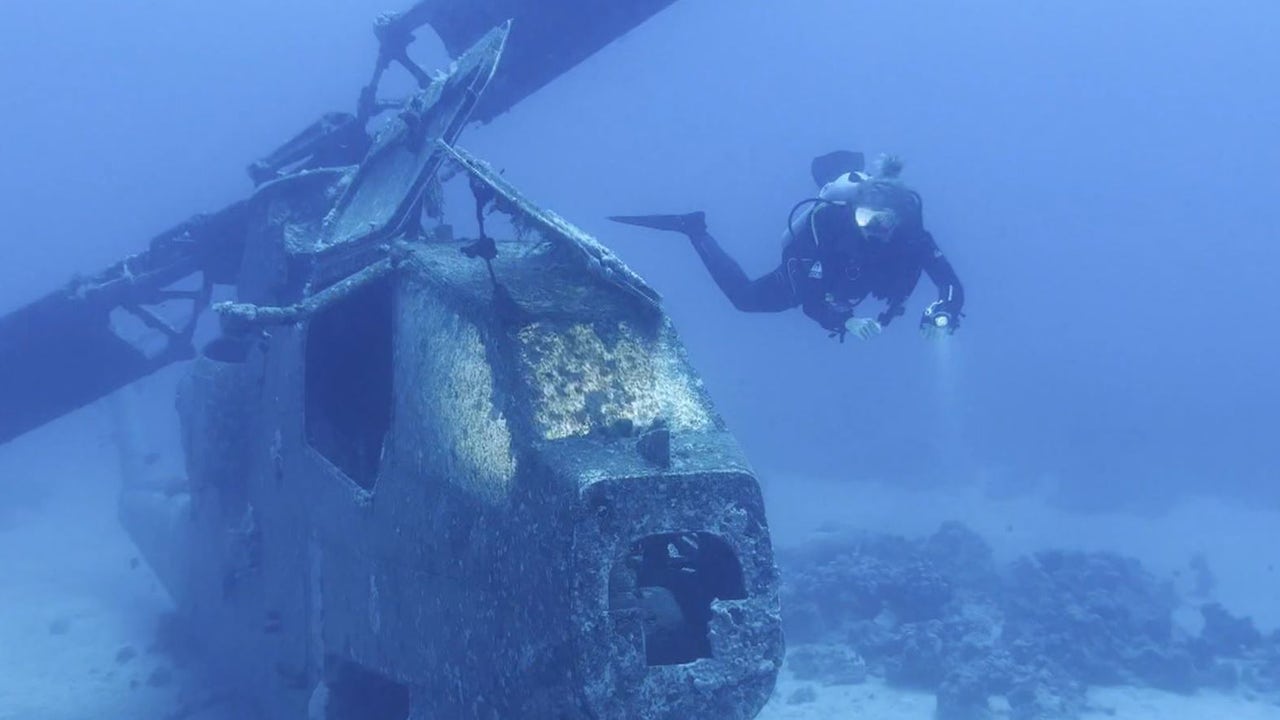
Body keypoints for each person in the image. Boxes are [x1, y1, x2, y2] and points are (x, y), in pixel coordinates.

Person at [609, 150, 965, 342]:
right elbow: (810, 300)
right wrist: (847, 322)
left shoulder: (911, 237)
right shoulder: (828, 228)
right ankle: (694, 229)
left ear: (899, 217)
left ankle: (693, 229)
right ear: (853, 212)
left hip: (850, 286)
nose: (875, 229)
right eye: (865, 218)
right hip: (810, 274)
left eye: (884, 221)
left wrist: (945, 309)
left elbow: (948, 281)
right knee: (744, 299)